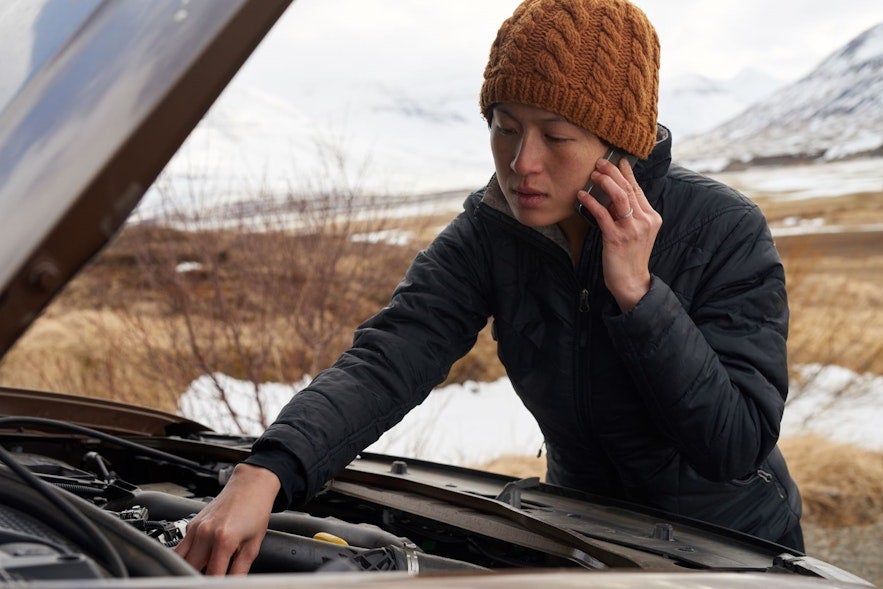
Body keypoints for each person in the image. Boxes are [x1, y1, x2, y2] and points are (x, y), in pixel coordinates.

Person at [175, 0, 803, 575]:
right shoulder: (490, 231)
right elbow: (391, 356)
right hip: (579, 539)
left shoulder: (722, 229)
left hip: (730, 551)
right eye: (504, 127)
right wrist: (266, 471)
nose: (522, 163)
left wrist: (641, 297)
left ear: (619, 147)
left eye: (556, 136)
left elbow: (733, 446)